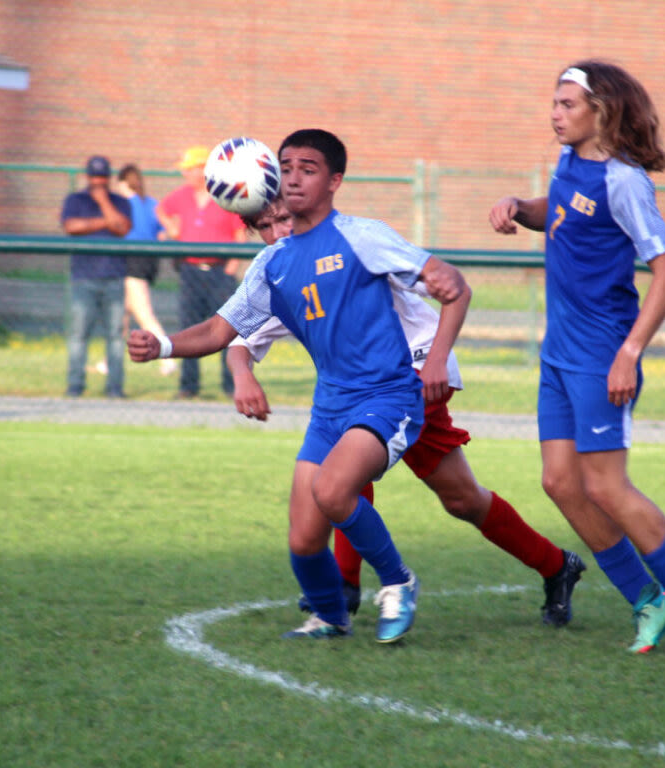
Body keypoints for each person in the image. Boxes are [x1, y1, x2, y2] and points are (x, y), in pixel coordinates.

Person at [130, 129, 467, 644]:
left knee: (334, 492)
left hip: (387, 397)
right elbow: (221, 332)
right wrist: (164, 346)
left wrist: (438, 356)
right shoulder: (272, 263)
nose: (292, 178)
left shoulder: (361, 235)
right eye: (285, 167)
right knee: (304, 539)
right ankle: (331, 617)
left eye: (307, 169)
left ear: (334, 182)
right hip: (329, 408)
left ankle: (398, 581)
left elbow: (453, 285)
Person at [232, 195, 586, 627]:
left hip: (414, 371)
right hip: (372, 390)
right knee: (461, 498)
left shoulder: (348, 244)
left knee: (347, 460)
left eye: (283, 218)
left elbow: (442, 283)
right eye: (264, 227)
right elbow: (239, 336)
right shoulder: (284, 268)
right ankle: (556, 565)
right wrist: (242, 373)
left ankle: (344, 586)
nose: (278, 233)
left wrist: (436, 355)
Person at [488, 60, 665, 659]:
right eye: (554, 102)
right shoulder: (569, 162)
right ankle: (647, 601)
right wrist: (522, 206)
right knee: (559, 482)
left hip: (602, 354)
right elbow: (563, 211)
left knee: (607, 486)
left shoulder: (626, 181)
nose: (555, 113)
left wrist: (629, 353)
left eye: (568, 104)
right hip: (559, 352)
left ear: (603, 111)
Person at [157, 146, 247, 399]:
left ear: (203, 170)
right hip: (191, 270)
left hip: (219, 271)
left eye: (190, 169)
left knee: (226, 329)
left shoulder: (225, 197)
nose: (186, 174)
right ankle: (189, 385)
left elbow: (239, 233)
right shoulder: (181, 196)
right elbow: (161, 210)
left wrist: (232, 266)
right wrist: (171, 228)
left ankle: (230, 385)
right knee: (189, 327)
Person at [61, 155, 131, 398]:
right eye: (94, 177)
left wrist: (103, 202)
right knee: (79, 334)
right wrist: (105, 221)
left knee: (114, 336)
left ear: (108, 178)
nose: (98, 182)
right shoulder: (75, 199)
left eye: (102, 178)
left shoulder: (120, 201)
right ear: (87, 177)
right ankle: (75, 386)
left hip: (114, 277)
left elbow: (123, 228)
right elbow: (71, 226)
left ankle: (114, 388)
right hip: (83, 277)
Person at [112, 163, 175, 376]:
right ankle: (109, 360)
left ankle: (168, 357)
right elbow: (163, 233)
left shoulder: (123, 205)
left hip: (131, 261)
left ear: (122, 183)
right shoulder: (152, 204)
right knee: (122, 314)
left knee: (144, 314)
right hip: (149, 262)